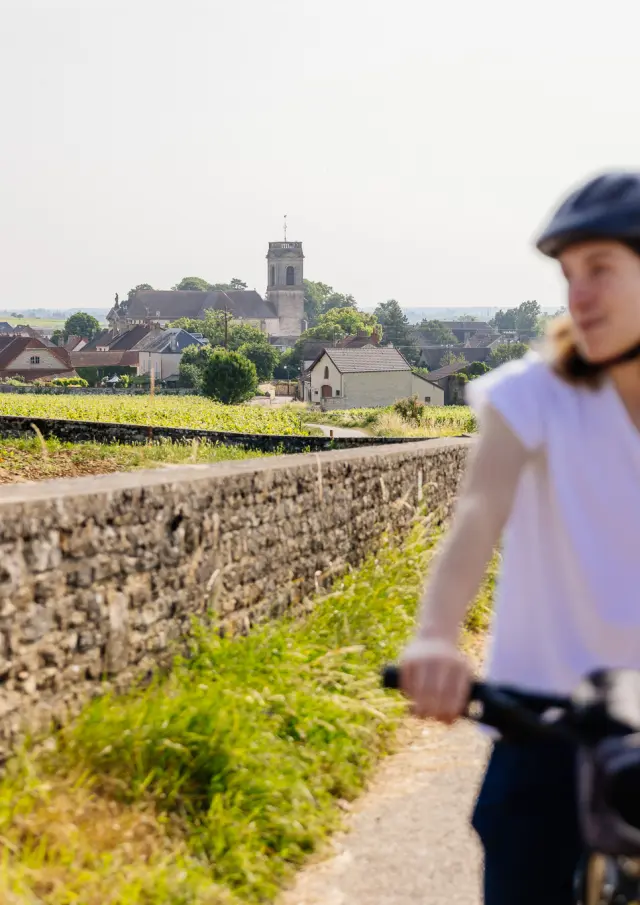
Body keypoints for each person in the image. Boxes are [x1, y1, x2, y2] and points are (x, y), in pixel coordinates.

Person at [398, 171, 640, 905]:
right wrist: (435, 637)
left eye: (600, 269)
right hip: (544, 720)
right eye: (569, 275)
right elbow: (478, 514)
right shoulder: (535, 394)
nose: (578, 296)